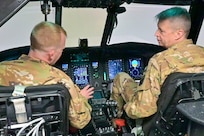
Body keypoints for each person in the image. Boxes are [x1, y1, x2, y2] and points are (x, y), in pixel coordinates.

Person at [111, 7, 204, 120]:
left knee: (121, 78)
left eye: (161, 30)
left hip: (163, 126)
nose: (156, 34)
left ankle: (116, 119)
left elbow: (142, 109)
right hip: (194, 123)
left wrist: (127, 109)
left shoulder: (160, 61)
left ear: (178, 34)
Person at [0, 21, 94, 129]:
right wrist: (82, 98)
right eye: (62, 50)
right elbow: (80, 122)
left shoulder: (2, 69)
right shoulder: (60, 79)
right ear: (52, 54)